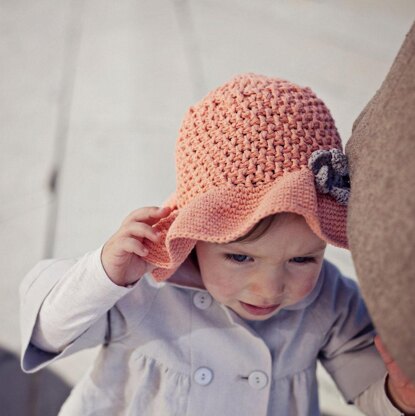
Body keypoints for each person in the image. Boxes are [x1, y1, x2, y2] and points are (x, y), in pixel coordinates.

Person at [19, 74, 415, 415]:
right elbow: (48, 332)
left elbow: (367, 377)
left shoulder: (329, 300)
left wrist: (397, 394)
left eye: (302, 258)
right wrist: (103, 275)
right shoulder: (144, 285)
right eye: (240, 256)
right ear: (196, 236)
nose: (270, 288)